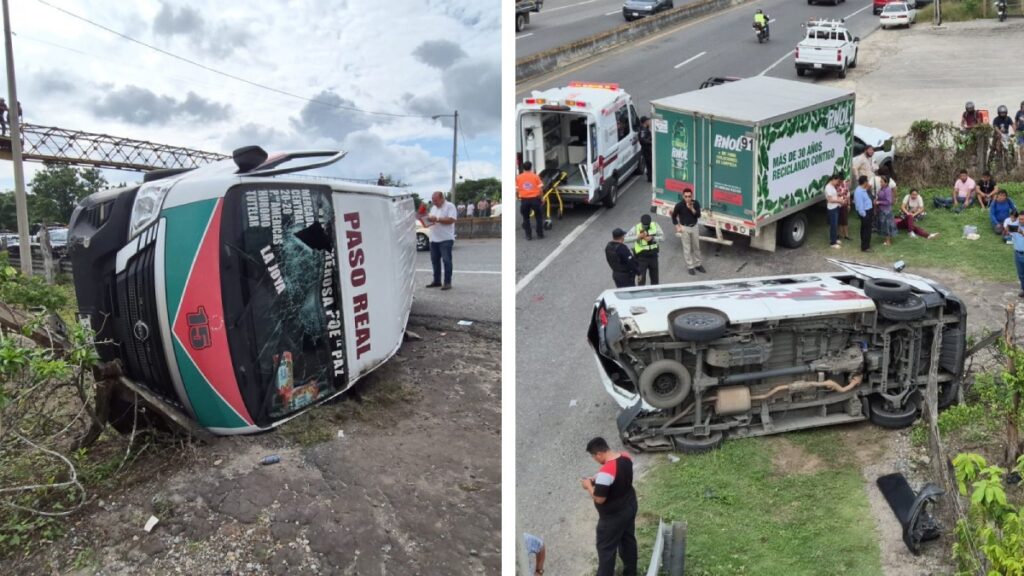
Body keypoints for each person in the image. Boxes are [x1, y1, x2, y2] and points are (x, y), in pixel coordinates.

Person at [581, 437, 638, 576]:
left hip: (613, 518)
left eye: (594, 457)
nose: (595, 459)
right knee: (628, 541)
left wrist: (589, 486)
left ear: (599, 454)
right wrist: (597, 478)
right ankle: (630, 572)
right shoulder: (625, 456)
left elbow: (599, 499)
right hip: (630, 506)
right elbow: (616, 475)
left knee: (606, 551)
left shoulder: (606, 471)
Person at [424, 191, 457, 290]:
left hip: (445, 239)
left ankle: (447, 282)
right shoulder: (433, 208)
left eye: (436, 200)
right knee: (435, 261)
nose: (434, 203)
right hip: (433, 238)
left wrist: (437, 219)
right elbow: (432, 220)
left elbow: (452, 220)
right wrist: (426, 220)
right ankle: (437, 281)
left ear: (442, 198)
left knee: (446, 261)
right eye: (433, 200)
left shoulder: (450, 206)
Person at [671, 188, 705, 275]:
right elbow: (673, 216)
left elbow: (698, 215)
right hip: (684, 228)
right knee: (687, 248)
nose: (687, 198)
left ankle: (698, 264)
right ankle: (690, 266)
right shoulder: (679, 205)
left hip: (694, 227)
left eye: (689, 196)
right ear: (683, 196)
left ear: (692, 196)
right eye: (686, 196)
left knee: (696, 247)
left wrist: (691, 208)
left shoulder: (695, 203)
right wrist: (677, 226)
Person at [625, 214, 663, 285]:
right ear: (641, 222)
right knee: (641, 280)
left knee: (655, 279)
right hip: (641, 257)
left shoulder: (655, 225)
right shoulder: (636, 227)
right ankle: (641, 291)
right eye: (644, 225)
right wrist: (637, 237)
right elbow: (625, 239)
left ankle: (655, 291)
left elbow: (662, 237)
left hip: (653, 256)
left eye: (647, 225)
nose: (645, 227)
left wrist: (653, 238)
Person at [517, 161, 545, 240]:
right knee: (538, 217)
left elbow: (516, 190)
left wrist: (518, 197)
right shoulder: (535, 176)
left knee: (526, 218)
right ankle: (540, 234)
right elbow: (541, 189)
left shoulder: (518, 177)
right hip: (535, 199)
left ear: (523, 168)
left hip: (524, 200)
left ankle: (528, 235)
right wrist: (542, 198)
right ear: (531, 167)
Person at [854, 175, 874, 252]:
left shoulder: (863, 189)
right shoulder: (859, 191)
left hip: (868, 211)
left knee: (866, 229)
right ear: (865, 182)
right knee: (866, 230)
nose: (868, 182)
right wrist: (864, 214)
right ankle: (865, 247)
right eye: (867, 181)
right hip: (865, 212)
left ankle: (866, 244)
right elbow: (860, 204)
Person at [875, 175, 896, 246]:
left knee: (887, 225)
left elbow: (889, 201)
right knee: (884, 225)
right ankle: (886, 239)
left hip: (886, 211)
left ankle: (888, 241)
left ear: (886, 183)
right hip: (881, 210)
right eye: (880, 182)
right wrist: (876, 200)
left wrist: (879, 202)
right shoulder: (882, 188)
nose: (880, 183)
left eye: (882, 182)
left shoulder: (888, 190)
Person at [825, 173, 843, 249]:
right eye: (837, 181)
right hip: (832, 209)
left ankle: (835, 238)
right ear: (833, 179)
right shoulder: (828, 187)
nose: (837, 183)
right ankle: (833, 243)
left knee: (835, 224)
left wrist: (839, 194)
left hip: (836, 207)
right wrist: (839, 201)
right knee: (833, 225)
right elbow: (830, 200)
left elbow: (833, 195)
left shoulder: (832, 186)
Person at [1009, 221, 1024, 298]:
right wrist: (1006, 230)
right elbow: (1008, 234)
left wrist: (1021, 232)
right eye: (1020, 219)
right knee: (1021, 274)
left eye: (1023, 219)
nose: (1021, 221)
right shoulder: (1015, 226)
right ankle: (1023, 289)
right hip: (1018, 253)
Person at [639, 116, 653, 182]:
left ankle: (650, 177)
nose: (649, 122)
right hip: (646, 150)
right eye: (648, 121)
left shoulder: (645, 129)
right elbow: (642, 139)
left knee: (650, 164)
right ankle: (650, 177)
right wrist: (651, 142)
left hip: (647, 149)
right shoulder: (643, 130)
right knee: (650, 164)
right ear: (645, 122)